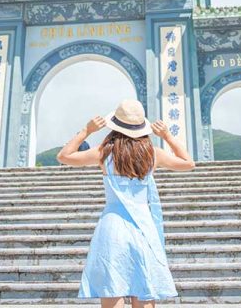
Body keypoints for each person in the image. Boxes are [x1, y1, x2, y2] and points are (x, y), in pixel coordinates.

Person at [56, 99, 195, 308]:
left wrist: (87, 130)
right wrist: (166, 135)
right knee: (144, 291)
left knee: (113, 292)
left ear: (115, 125)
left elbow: (64, 156)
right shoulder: (153, 153)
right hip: (143, 227)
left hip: (112, 226)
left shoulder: (104, 152)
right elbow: (188, 163)